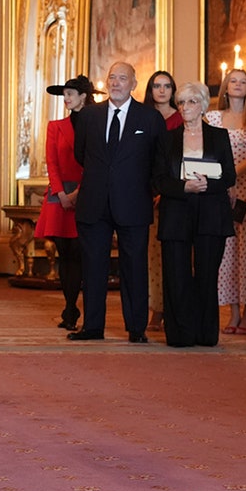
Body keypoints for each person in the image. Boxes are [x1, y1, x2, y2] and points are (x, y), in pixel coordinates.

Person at [70, 61, 165, 343]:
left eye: (123, 78)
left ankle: (136, 328)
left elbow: (158, 161)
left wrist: (146, 189)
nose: (116, 83)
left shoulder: (150, 118)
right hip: (94, 202)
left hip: (133, 203)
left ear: (133, 84)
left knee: (134, 268)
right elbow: (80, 155)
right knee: (93, 267)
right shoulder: (89, 116)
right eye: (112, 77)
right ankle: (92, 327)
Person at [153, 81, 236, 347]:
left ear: (202, 105)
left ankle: (205, 333)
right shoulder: (167, 138)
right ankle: (180, 334)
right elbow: (158, 179)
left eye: (191, 101)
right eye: (181, 102)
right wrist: (184, 187)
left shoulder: (219, 136)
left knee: (206, 275)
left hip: (211, 212)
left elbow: (229, 176)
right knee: (176, 275)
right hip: (176, 211)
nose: (185, 107)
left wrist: (207, 185)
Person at [205, 68, 246, 334]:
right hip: (222, 189)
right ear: (225, 87)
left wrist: (232, 175)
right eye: (233, 81)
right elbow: (209, 152)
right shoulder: (212, 117)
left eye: (243, 81)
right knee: (227, 249)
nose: (238, 85)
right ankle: (232, 313)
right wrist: (225, 180)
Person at [34, 75, 91, 331]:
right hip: (59, 198)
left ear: (83, 97)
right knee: (65, 255)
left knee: (80, 254)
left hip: (87, 193)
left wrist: (79, 192)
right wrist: (61, 193)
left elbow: (96, 161)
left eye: (70, 94)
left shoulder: (95, 124)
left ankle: (79, 310)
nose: (65, 98)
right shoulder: (55, 126)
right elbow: (52, 163)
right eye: (64, 94)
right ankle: (70, 308)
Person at [142, 70, 182, 333]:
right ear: (150, 89)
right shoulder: (143, 117)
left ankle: (175, 308)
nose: (162, 90)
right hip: (148, 194)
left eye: (167, 86)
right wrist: (152, 191)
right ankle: (156, 309)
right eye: (157, 86)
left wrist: (167, 190)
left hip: (176, 194)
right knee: (153, 256)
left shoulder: (181, 117)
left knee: (177, 256)